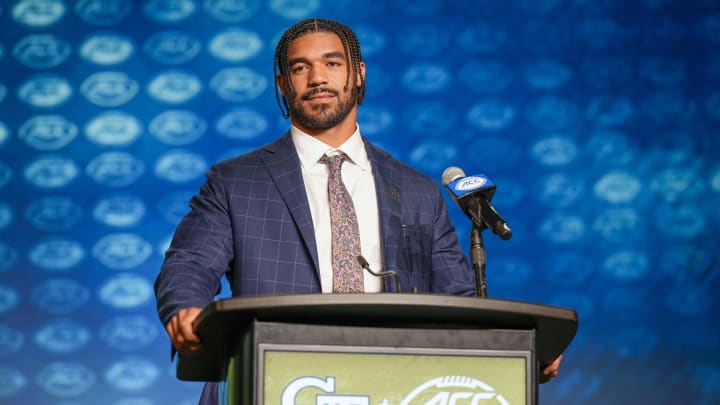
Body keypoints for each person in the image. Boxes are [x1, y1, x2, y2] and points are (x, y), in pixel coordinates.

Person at [154, 18, 561, 404]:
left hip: (394, 386)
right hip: (270, 382)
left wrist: (520, 348)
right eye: (300, 68)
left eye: (332, 63)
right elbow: (190, 262)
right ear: (282, 83)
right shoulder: (236, 181)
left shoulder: (418, 190)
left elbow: (456, 297)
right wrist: (186, 309)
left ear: (359, 73)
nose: (318, 79)